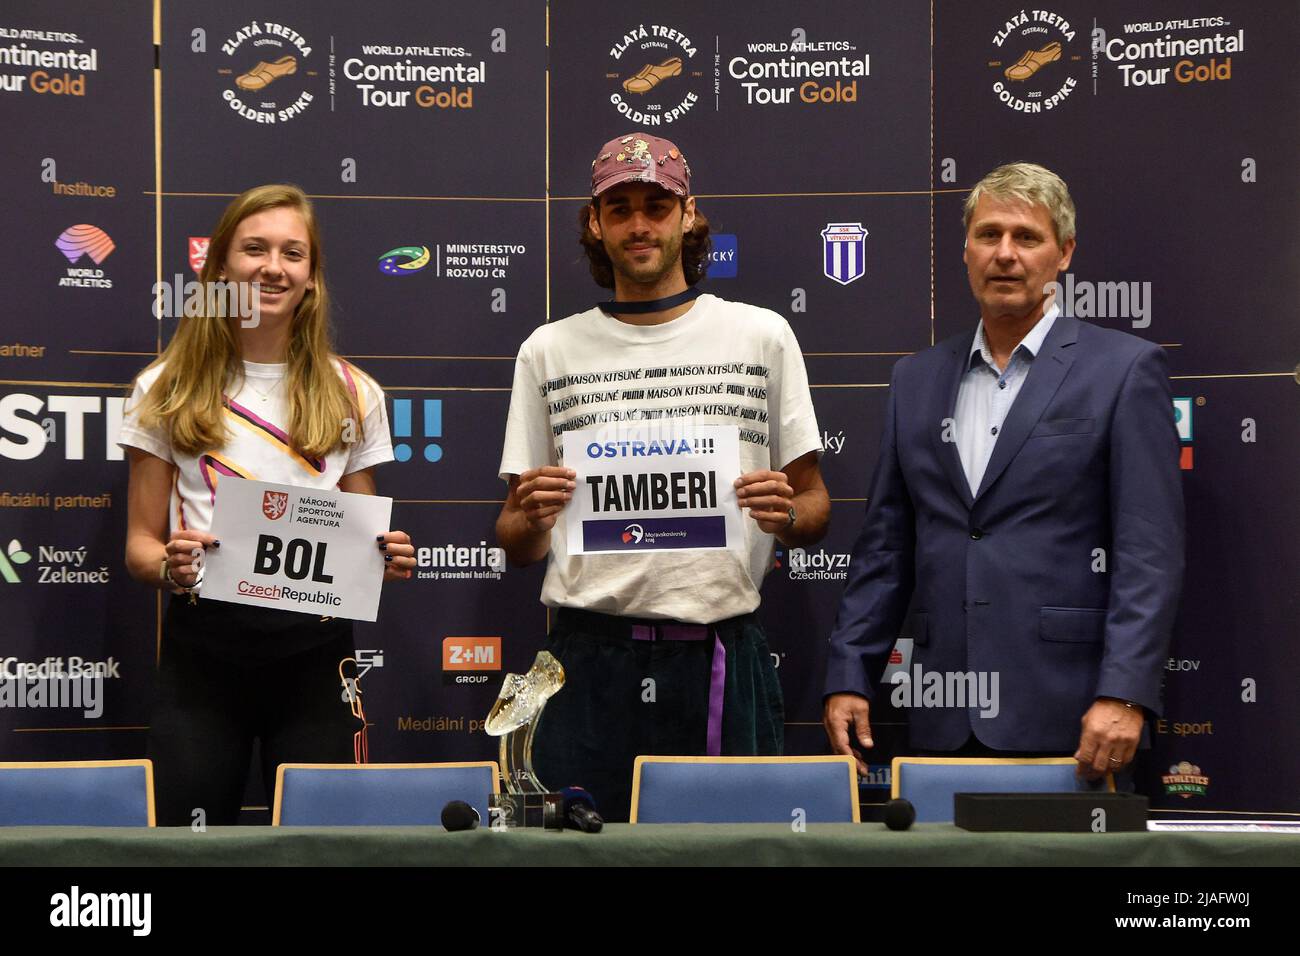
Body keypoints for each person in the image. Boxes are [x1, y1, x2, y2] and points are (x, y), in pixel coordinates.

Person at [496, 133, 831, 821]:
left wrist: (788, 516)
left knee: (728, 856)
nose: (640, 224)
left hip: (718, 654)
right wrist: (530, 516)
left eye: (657, 205)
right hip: (585, 660)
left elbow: (814, 503)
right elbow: (515, 539)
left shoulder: (760, 336)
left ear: (690, 215)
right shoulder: (548, 350)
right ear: (595, 222)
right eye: (620, 208)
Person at [823, 162, 1184, 782]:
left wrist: (1125, 693)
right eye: (989, 235)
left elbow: (1148, 551)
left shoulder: (1124, 370)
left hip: (1074, 718)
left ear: (1063, 253)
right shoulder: (915, 380)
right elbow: (885, 548)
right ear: (965, 251)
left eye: (1027, 237)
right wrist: (851, 671)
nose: (1006, 255)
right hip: (941, 713)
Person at [120, 184, 416, 826]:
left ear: (311, 277)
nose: (273, 267)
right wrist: (168, 563)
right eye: (254, 249)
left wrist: (386, 553)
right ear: (220, 265)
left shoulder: (354, 392)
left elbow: (362, 531)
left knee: (323, 850)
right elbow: (141, 545)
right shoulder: (163, 387)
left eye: (293, 253)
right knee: (187, 847)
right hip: (204, 655)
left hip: (317, 656)